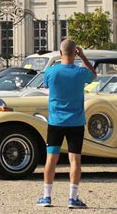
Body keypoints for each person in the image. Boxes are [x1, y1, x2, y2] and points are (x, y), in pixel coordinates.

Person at [37, 39, 96, 209]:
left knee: (51, 159)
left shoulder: (51, 71)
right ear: (75, 53)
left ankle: (47, 196)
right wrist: (83, 57)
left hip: (56, 121)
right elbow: (93, 75)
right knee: (75, 160)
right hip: (75, 122)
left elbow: (47, 83)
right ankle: (73, 197)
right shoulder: (79, 72)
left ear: (61, 53)